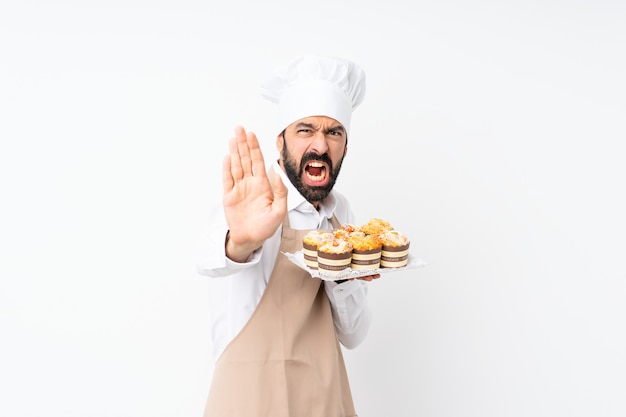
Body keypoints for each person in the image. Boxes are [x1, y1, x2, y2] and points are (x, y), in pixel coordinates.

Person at [197, 54, 379, 417]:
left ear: (345, 144)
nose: (321, 146)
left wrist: (340, 271)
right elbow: (208, 260)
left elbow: (354, 335)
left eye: (333, 132)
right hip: (249, 401)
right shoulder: (252, 198)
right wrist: (243, 241)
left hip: (325, 399)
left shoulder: (342, 217)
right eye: (305, 130)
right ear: (280, 141)